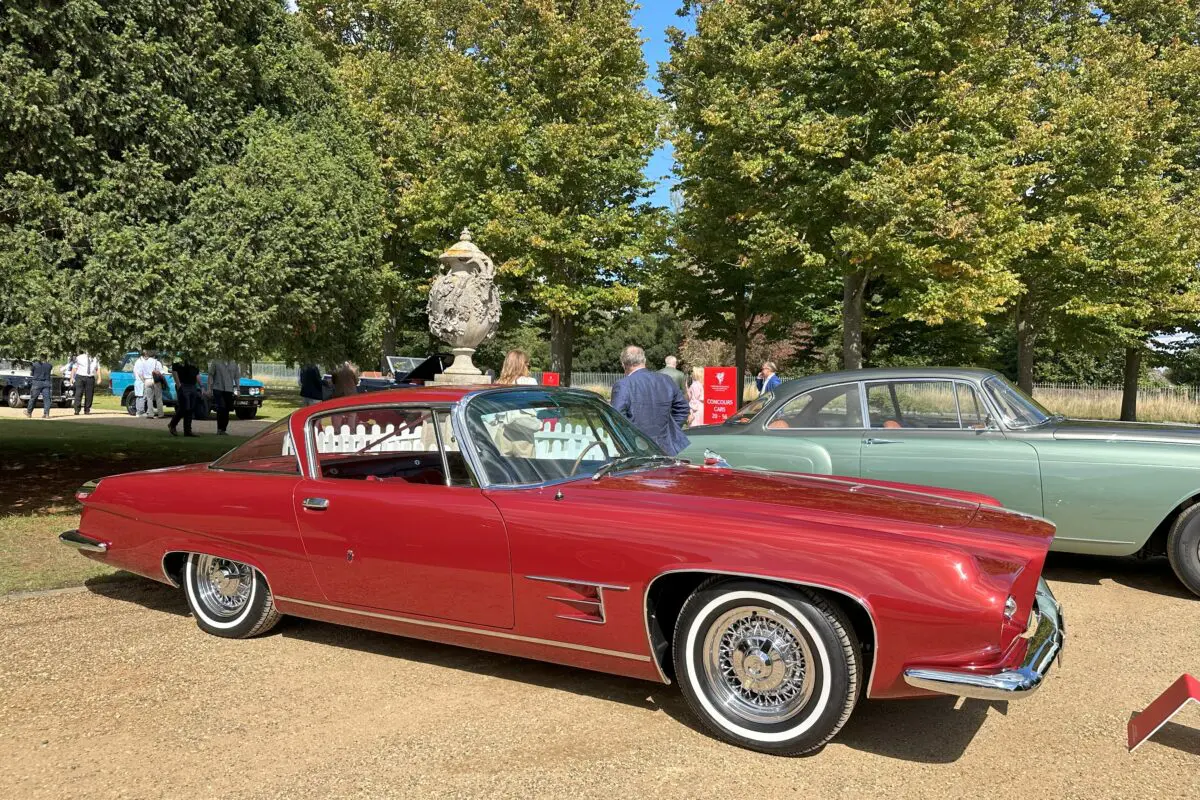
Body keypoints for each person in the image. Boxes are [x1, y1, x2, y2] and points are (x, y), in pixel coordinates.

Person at [610, 345, 690, 456]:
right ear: (644, 360)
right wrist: (667, 431)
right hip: (665, 449)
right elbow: (683, 408)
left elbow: (616, 420)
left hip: (637, 450)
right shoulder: (666, 380)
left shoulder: (623, 385)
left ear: (623, 364)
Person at [168, 356, 201, 437]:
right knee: (184, 407)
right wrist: (179, 385)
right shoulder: (179, 357)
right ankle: (172, 424)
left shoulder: (195, 357)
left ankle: (187, 431)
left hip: (192, 385)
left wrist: (201, 385)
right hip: (183, 385)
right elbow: (174, 371)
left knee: (190, 408)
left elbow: (197, 373)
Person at [208, 357, 240, 436]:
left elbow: (236, 377)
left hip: (229, 389)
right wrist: (209, 388)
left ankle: (223, 429)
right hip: (218, 388)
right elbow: (211, 375)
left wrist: (238, 389)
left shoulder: (234, 363)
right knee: (221, 407)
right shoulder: (215, 361)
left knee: (227, 409)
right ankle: (219, 429)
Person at [71, 350, 100, 415]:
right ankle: (77, 410)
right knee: (78, 393)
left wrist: (99, 378)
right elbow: (74, 368)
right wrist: (72, 377)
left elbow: (98, 368)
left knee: (89, 394)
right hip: (80, 377)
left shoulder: (95, 358)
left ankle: (87, 410)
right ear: (86, 351)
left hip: (90, 378)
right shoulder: (79, 357)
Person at [24, 355, 53, 419]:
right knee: (47, 399)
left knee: (33, 398)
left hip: (37, 382)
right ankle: (46, 414)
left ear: (40, 358)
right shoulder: (49, 365)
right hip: (46, 383)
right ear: (46, 358)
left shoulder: (35, 365)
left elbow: (32, 373)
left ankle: (29, 412)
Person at [132, 349, 153, 417]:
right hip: (141, 382)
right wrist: (144, 381)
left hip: (137, 381)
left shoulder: (137, 361)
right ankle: (141, 412)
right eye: (148, 356)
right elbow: (140, 374)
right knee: (142, 397)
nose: (148, 358)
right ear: (145, 355)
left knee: (138, 397)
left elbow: (134, 372)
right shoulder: (141, 362)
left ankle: (138, 412)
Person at [147, 351, 166, 418]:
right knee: (158, 398)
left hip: (147, 380)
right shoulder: (157, 362)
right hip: (156, 381)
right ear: (154, 356)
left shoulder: (145, 363)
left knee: (149, 398)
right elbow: (162, 373)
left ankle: (150, 414)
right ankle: (160, 414)